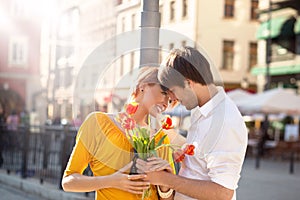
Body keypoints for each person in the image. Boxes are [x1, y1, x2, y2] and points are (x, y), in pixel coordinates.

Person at [137, 46, 248, 200]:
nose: (173, 99)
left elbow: (223, 192)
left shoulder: (224, 122)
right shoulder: (201, 109)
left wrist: (165, 179)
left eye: (173, 91)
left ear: (188, 83)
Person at [61, 66, 175, 200]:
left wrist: (165, 185)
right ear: (143, 87)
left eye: (170, 100)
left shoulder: (160, 139)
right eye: (163, 93)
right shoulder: (98, 123)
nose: (166, 103)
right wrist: (112, 181)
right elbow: (68, 182)